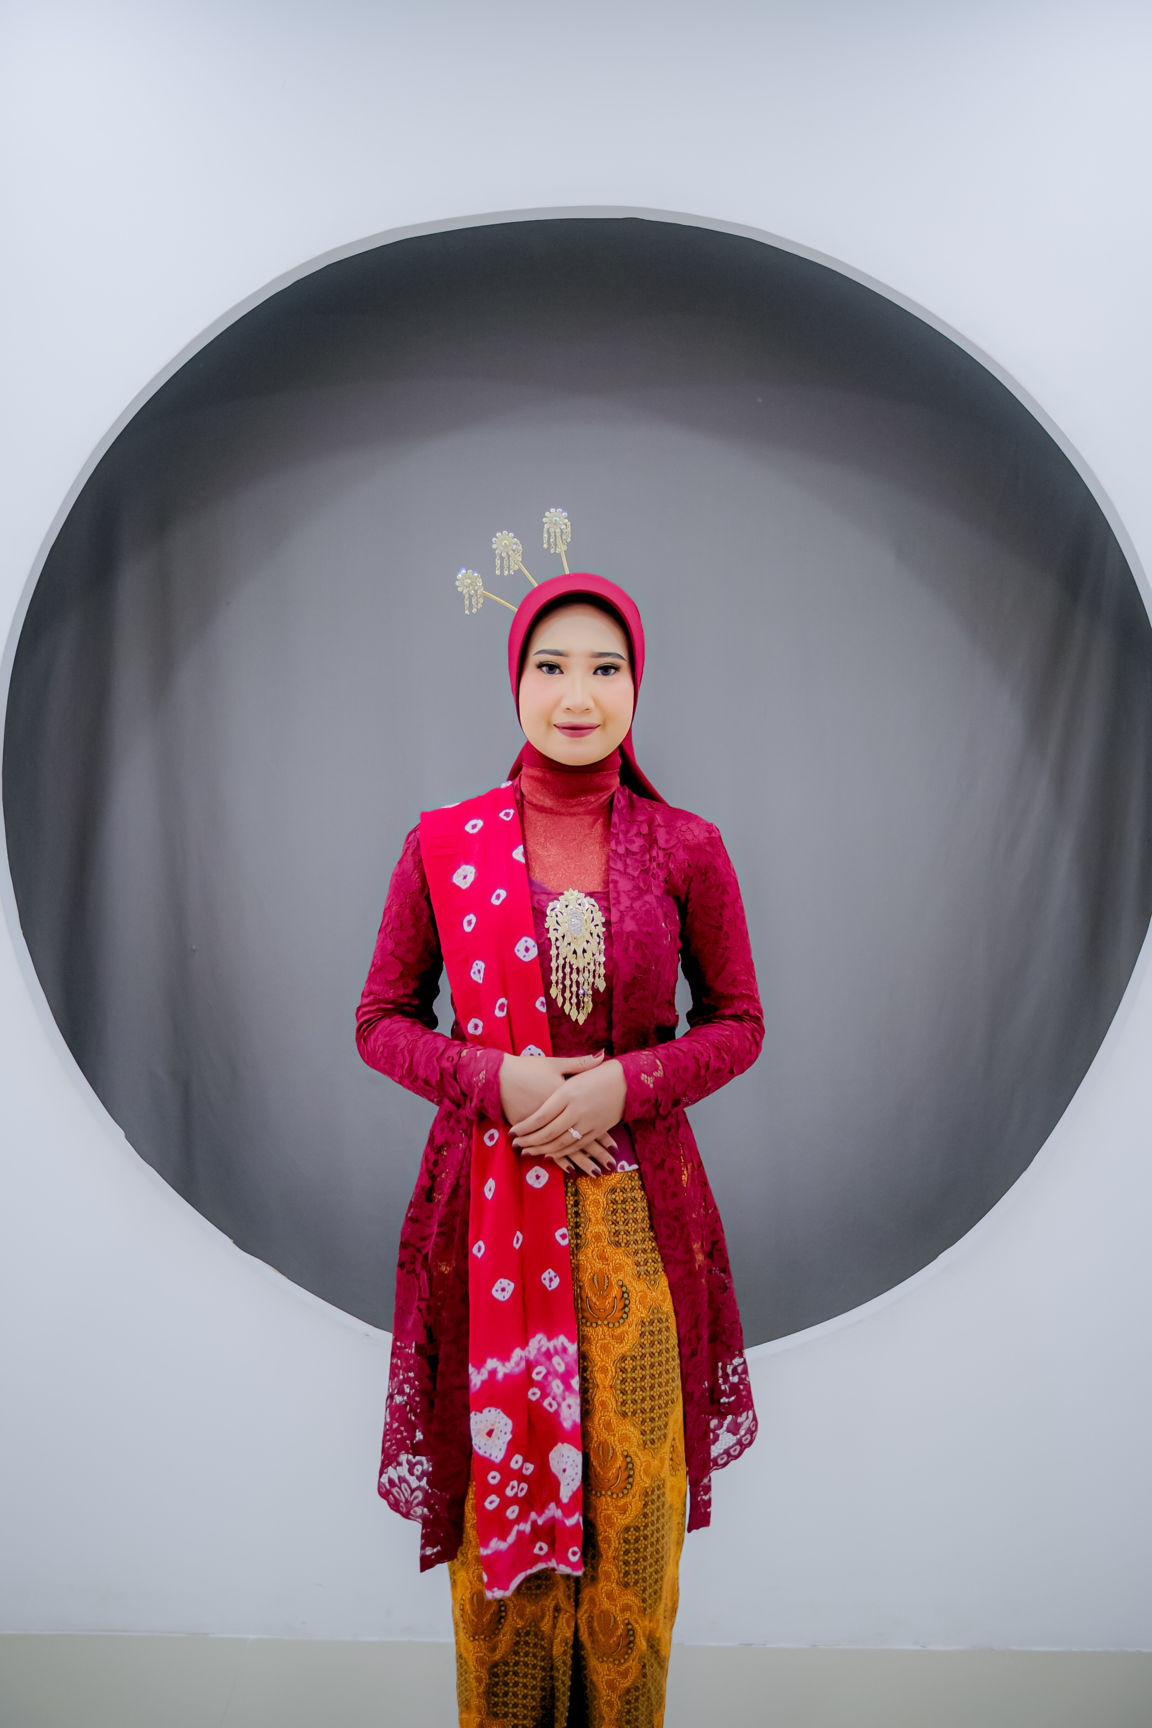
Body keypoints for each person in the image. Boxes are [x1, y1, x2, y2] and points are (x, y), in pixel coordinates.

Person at [356, 567, 764, 1727]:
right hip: (487, 1224)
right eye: (551, 666)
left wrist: (628, 1086)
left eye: (605, 667)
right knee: (502, 1548)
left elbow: (738, 1022)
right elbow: (382, 1021)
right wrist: (499, 1081)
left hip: (640, 1227)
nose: (577, 694)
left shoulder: (685, 846)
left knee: (634, 1539)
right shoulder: (444, 845)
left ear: (638, 683)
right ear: (516, 680)